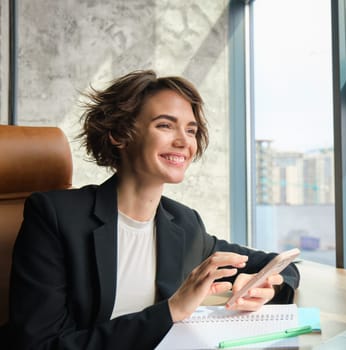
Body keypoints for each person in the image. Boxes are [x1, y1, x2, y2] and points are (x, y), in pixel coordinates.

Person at [7, 70, 300, 349]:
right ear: (119, 134)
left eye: (191, 130)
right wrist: (171, 311)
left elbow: (281, 265)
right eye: (165, 125)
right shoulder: (55, 217)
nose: (184, 141)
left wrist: (266, 286)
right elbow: (41, 345)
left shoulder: (184, 225)